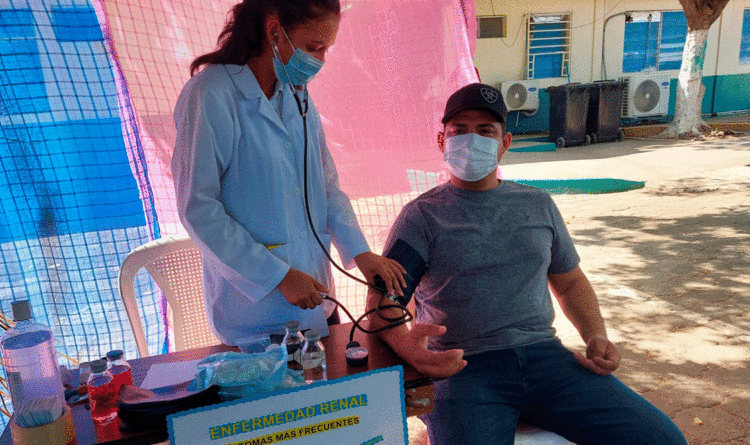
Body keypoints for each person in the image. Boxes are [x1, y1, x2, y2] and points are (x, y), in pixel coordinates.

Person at [367, 83, 687, 444]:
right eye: (459, 130)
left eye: (486, 131)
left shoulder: (538, 205)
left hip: (547, 360)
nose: (471, 140)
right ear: (442, 141)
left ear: (505, 143)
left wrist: (595, 334)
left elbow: (570, 283)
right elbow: (383, 302)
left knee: (662, 440)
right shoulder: (421, 217)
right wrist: (409, 348)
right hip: (461, 368)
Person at [172, 0, 405, 345]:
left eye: (326, 49)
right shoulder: (211, 95)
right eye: (313, 47)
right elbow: (200, 209)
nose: (321, 60)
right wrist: (276, 275)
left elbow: (327, 188)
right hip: (256, 321)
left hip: (318, 306)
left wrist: (359, 251)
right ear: (274, 30)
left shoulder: (296, 96)